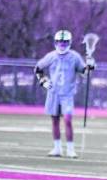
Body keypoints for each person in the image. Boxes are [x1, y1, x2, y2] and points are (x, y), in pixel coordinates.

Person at [34, 30, 95, 158]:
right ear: (56, 42)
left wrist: (90, 66)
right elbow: (38, 68)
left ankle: (70, 149)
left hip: (67, 94)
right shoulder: (51, 56)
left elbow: (84, 71)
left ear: (69, 42)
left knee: (67, 120)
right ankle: (57, 148)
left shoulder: (74, 57)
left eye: (65, 42)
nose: (62, 44)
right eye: (60, 42)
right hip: (53, 93)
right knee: (55, 120)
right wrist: (43, 82)